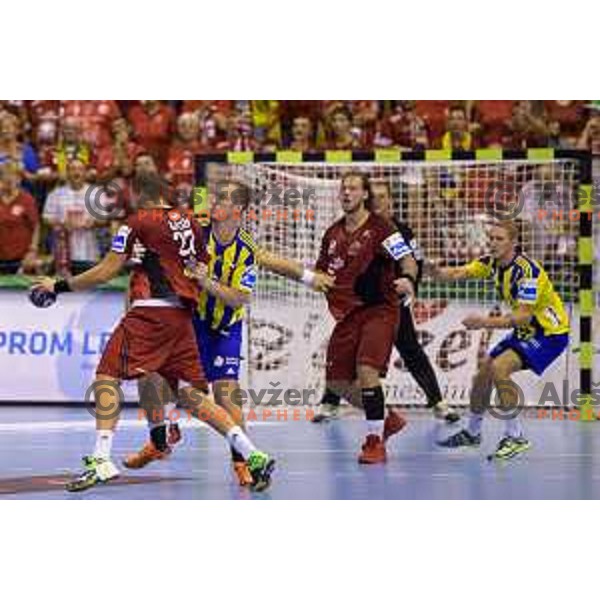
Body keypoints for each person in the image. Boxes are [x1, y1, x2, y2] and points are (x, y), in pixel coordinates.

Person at [29, 171, 275, 492]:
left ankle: (101, 459)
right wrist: (146, 257)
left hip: (151, 312)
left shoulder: (137, 221)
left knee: (106, 375)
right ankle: (252, 453)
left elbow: (106, 270)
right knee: (192, 396)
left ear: (139, 193)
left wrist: (58, 286)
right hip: (183, 318)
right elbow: (197, 265)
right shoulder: (188, 221)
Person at [124, 178, 335, 485]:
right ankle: (160, 440)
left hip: (225, 326)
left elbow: (240, 297)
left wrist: (306, 276)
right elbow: (183, 210)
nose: (214, 203)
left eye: (221, 199)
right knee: (155, 379)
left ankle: (242, 464)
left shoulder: (246, 249)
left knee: (226, 396)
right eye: (213, 198)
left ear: (237, 209)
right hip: (190, 322)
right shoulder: (197, 231)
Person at [312, 181, 459, 423]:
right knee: (347, 355)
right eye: (375, 197)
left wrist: (409, 282)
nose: (378, 202)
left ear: (390, 200)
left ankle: (437, 402)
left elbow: (413, 262)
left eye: (383, 197)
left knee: (409, 349)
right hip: (359, 306)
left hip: (389, 305)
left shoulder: (400, 231)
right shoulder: (349, 229)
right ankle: (331, 402)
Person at [431, 220, 569, 460]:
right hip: (526, 332)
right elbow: (457, 272)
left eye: (499, 239)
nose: (493, 243)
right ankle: (473, 433)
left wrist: (484, 322)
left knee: (499, 367)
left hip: (549, 334)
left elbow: (523, 316)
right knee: (482, 374)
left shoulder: (528, 272)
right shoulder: (491, 263)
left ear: (513, 242)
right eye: (491, 238)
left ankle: (515, 437)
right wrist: (433, 271)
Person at [312, 171, 414, 464]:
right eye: (343, 189)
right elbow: (322, 271)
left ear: (365, 194)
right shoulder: (332, 233)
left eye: (353, 189)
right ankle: (386, 418)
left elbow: (406, 259)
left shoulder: (382, 228)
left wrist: (408, 278)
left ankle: (374, 441)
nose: (346, 193)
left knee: (366, 371)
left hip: (380, 308)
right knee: (338, 382)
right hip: (348, 314)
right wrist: (314, 279)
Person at [43, 159, 102, 275]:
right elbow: (46, 218)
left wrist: (93, 222)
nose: (76, 172)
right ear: (67, 173)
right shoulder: (56, 194)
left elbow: (105, 219)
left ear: (85, 173)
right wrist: (61, 223)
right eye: (72, 169)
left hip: (90, 252)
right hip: (63, 254)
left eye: (80, 169)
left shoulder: (96, 193)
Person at [0, 159, 40, 274]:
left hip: (21, 261)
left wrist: (32, 251)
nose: (9, 178)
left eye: (13, 175)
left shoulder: (26, 199)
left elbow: (36, 226)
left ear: (19, 178)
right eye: (5, 174)